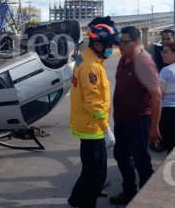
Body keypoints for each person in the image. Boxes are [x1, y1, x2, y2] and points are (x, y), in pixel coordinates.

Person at [68, 18, 120, 208]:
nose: (111, 49)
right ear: (97, 44)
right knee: (97, 174)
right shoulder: (91, 66)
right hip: (93, 128)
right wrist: (106, 130)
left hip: (86, 124)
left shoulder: (87, 57)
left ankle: (76, 199)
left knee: (89, 169)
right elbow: (93, 101)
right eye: (108, 45)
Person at [110, 26, 162, 205]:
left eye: (124, 42)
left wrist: (154, 127)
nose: (120, 45)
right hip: (122, 120)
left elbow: (156, 96)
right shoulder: (123, 59)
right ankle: (129, 191)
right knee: (122, 155)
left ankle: (147, 198)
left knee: (141, 160)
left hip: (139, 121)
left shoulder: (144, 63)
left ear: (136, 42)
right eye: (119, 42)